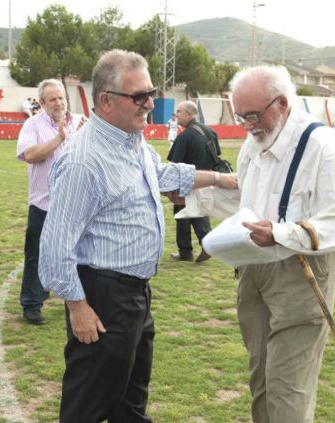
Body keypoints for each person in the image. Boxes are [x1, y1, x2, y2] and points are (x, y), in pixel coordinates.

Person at [38, 49, 237, 422]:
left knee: (131, 403)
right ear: (106, 102)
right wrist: (77, 307)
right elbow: (55, 243)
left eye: (152, 92)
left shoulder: (130, 142)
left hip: (133, 295)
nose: (150, 103)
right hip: (103, 296)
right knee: (89, 405)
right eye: (139, 96)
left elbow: (161, 174)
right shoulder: (85, 160)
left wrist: (221, 178)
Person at [182, 65, 335, 422]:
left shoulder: (324, 144)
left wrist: (280, 234)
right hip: (254, 265)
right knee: (261, 376)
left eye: (253, 115)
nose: (247, 124)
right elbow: (247, 201)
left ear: (281, 103)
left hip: (303, 268)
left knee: (288, 384)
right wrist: (194, 198)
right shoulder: (255, 141)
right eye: (240, 115)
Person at [16, 79, 86, 325]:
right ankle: (32, 304)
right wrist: (59, 139)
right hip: (44, 204)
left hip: (76, 203)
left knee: (78, 254)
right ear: (43, 103)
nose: (59, 103)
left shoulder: (81, 122)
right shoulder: (33, 124)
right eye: (53, 99)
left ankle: (76, 301)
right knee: (37, 254)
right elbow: (30, 155)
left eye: (62, 97)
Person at [167, 101, 219, 262]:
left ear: (189, 114)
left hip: (186, 181)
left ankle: (186, 251)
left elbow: (174, 164)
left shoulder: (184, 136)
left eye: (179, 112)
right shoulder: (210, 131)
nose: (176, 115)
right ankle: (208, 244)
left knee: (182, 215)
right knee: (200, 211)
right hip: (206, 180)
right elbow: (217, 154)